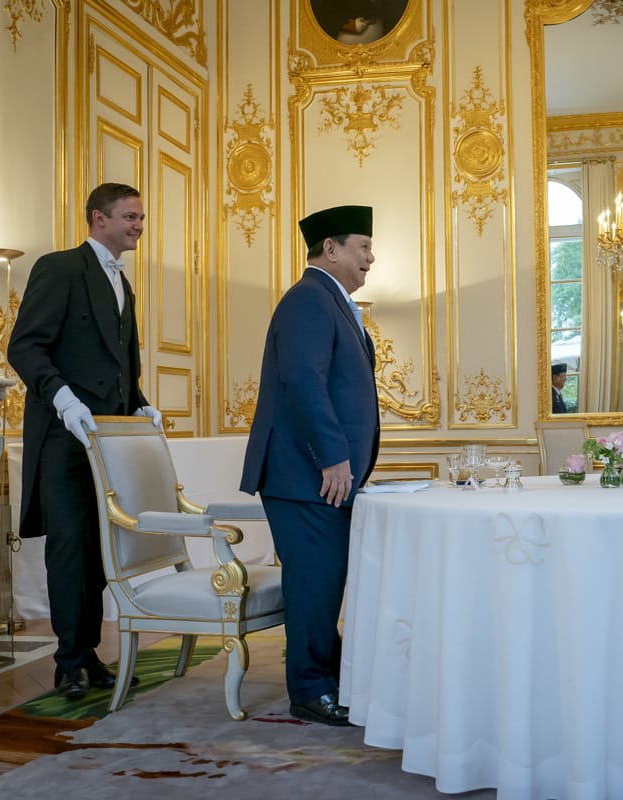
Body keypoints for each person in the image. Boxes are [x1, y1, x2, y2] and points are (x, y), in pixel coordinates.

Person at [7, 182, 162, 700]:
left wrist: (138, 401)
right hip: (64, 437)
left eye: (140, 217)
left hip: (108, 440)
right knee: (71, 547)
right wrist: (63, 399)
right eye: (130, 217)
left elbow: (118, 363)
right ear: (99, 218)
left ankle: (89, 654)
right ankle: (67, 663)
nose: (138, 225)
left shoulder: (124, 283)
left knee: (98, 550)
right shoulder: (60, 267)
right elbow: (25, 346)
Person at [240, 205, 381, 726]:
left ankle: (331, 676)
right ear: (331, 249)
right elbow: (303, 381)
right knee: (315, 585)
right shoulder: (308, 300)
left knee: (325, 583)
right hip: (305, 475)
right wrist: (334, 457)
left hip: (317, 475)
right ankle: (310, 690)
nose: (370, 257)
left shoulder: (330, 301)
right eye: (362, 246)